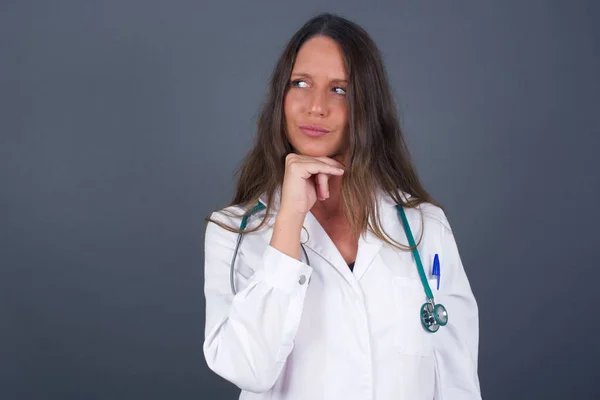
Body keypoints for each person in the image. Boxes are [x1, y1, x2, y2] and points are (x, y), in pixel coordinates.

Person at [202, 12, 481, 400]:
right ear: (280, 97)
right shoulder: (233, 232)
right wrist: (288, 222)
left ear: (368, 106)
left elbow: (457, 382)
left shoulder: (424, 226)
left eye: (340, 90)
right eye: (300, 84)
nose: (316, 107)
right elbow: (247, 368)